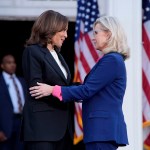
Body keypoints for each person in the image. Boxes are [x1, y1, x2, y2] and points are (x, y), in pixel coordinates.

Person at [29, 16, 130, 150]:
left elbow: (87, 90)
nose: (93, 38)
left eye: (96, 33)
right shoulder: (113, 60)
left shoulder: (112, 60)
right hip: (101, 131)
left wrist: (53, 90)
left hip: (102, 131)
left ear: (108, 34)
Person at [21, 10, 74, 150]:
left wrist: (82, 89)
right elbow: (36, 89)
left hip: (62, 128)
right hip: (43, 129)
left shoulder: (57, 54)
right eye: (63, 30)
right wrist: (66, 92)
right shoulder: (32, 52)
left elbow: (63, 85)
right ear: (51, 28)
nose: (66, 35)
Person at [0, 54, 26, 150]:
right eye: (9, 63)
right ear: (2, 65)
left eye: (14, 62)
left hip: (22, 124)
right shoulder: (1, 82)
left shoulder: (22, 81)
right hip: (5, 126)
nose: (12, 65)